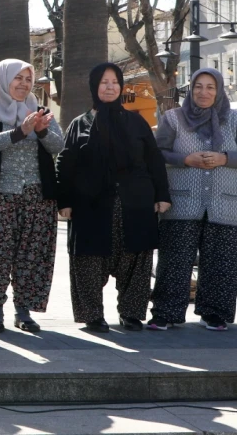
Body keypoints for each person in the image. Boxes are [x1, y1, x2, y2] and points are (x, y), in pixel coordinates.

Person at [56, 63, 171, 333]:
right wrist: (64, 201)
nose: (110, 87)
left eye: (115, 82)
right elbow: (65, 163)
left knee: (136, 258)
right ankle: (92, 314)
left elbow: (154, 159)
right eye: (104, 82)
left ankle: (131, 313)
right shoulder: (79, 123)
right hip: (90, 206)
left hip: (135, 202)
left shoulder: (135, 121)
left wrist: (162, 195)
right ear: (94, 87)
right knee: (88, 260)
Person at [148, 68, 237, 332]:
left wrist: (225, 158)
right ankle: (166, 312)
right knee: (175, 259)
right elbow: (157, 153)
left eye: (210, 87)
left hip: (225, 203)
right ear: (190, 89)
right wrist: (185, 159)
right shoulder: (173, 118)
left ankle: (214, 313)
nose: (204, 92)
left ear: (219, 91)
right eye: (198, 86)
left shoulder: (236, 119)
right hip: (182, 202)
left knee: (222, 260)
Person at [0, 59, 63, 334]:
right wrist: (21, 131)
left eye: (28, 79)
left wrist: (40, 129)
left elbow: (58, 144)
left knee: (32, 256)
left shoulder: (40, 112)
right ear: (2, 80)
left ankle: (24, 312)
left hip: (37, 196)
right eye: (17, 78)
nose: (23, 84)